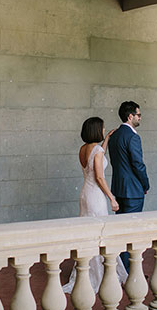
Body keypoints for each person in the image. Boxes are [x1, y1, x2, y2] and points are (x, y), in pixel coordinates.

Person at [62, 117, 128, 294]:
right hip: (96, 196)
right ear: (97, 130)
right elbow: (99, 176)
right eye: (103, 129)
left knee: (88, 234)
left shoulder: (83, 149)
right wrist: (112, 197)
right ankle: (100, 277)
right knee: (100, 235)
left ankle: (87, 272)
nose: (104, 130)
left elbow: (96, 159)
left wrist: (106, 140)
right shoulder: (97, 150)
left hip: (85, 194)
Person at [108, 101, 150, 272]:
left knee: (120, 231)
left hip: (119, 188)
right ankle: (127, 273)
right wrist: (145, 184)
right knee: (131, 232)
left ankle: (120, 270)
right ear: (130, 116)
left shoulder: (114, 136)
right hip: (133, 190)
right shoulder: (133, 136)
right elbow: (138, 164)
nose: (140, 118)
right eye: (138, 115)